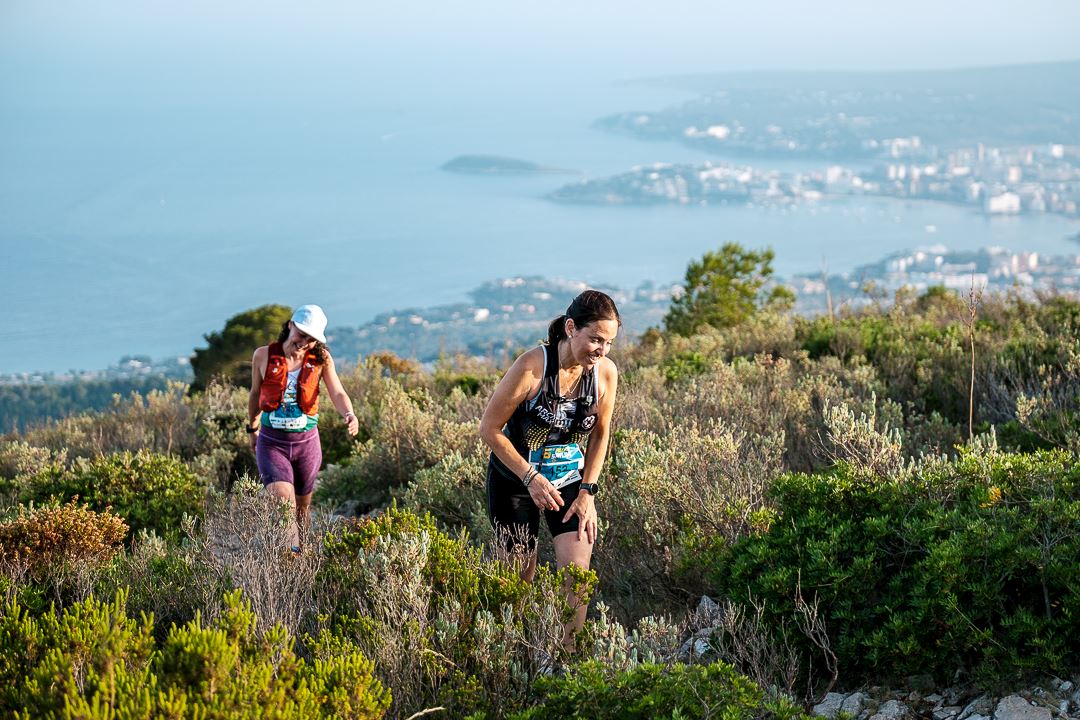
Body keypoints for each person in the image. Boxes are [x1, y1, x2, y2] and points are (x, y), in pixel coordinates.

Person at [479, 290, 620, 647]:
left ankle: (568, 660)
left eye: (609, 342)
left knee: (577, 574)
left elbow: (601, 433)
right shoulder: (531, 367)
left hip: (570, 481)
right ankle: (512, 654)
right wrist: (530, 477)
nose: (602, 350)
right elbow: (489, 429)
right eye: (596, 339)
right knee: (518, 579)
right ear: (571, 328)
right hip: (515, 481)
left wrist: (588, 492)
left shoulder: (605, 374)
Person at [247, 304, 359, 551]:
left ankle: (303, 555)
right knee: (282, 500)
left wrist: (349, 414)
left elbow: (338, 392)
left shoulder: (321, 359)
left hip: (307, 444)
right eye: (301, 334)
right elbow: (255, 394)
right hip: (272, 443)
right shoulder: (262, 355)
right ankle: (292, 558)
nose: (304, 342)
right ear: (290, 325)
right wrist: (252, 428)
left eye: (311, 338)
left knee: (302, 508)